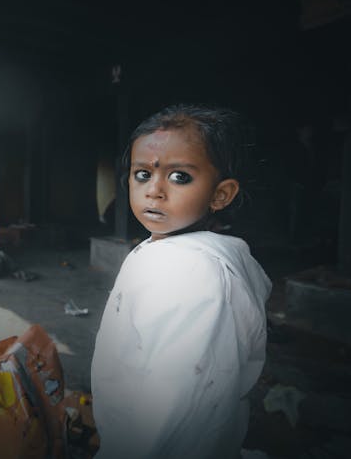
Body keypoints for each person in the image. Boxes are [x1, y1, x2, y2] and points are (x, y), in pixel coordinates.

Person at [91, 104, 272, 458]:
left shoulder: (191, 273)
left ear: (221, 194)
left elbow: (178, 406)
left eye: (179, 177)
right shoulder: (168, 249)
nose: (154, 191)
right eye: (142, 174)